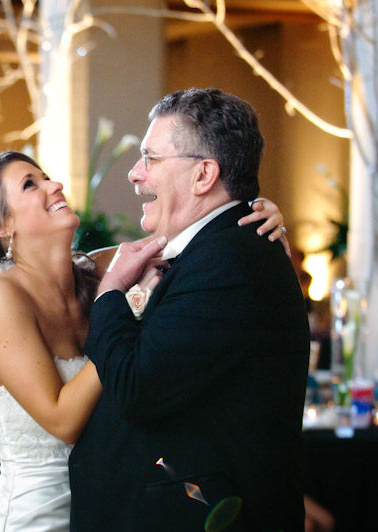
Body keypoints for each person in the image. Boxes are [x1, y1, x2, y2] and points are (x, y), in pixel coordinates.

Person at [0, 146, 288, 531]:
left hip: (112, 505)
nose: (54, 185)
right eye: (30, 185)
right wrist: (128, 307)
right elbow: (62, 420)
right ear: (1, 226)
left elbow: (198, 233)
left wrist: (257, 212)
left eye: (45, 176)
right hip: (40, 515)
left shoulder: (103, 269)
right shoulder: (0, 301)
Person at [69, 89, 310, 530]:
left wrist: (111, 293)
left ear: (203, 175)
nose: (135, 173)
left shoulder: (231, 259)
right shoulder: (209, 250)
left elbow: (137, 388)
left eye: (151, 158)